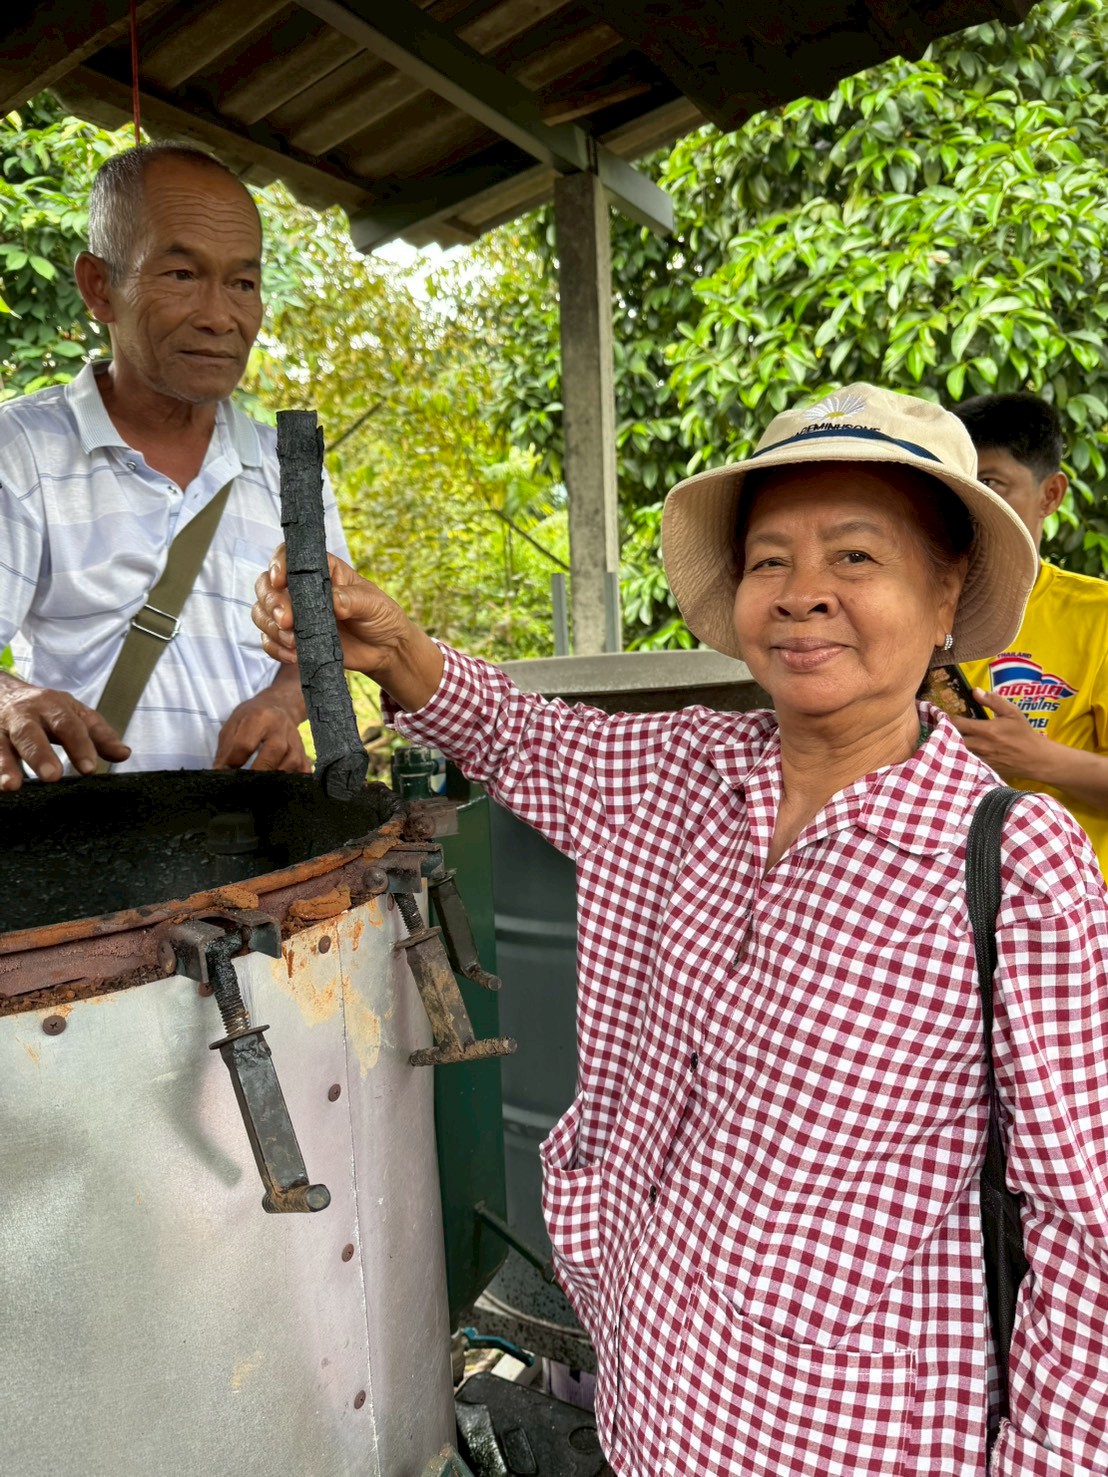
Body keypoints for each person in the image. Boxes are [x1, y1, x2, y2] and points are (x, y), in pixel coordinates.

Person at [255, 384, 1108, 1477]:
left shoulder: (1009, 857)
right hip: (655, 1393)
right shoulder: (686, 769)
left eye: (856, 558)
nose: (803, 596)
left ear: (946, 598)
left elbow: (1083, 1227)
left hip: (853, 1434)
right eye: (769, 561)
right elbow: (517, 735)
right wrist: (396, 646)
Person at [0, 143, 348, 790]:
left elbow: (323, 648)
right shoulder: (22, 452)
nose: (220, 317)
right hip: (88, 854)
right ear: (99, 288)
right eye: (182, 275)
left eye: (243, 283)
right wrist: (9, 700)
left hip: (258, 854)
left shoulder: (290, 470)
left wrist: (281, 705)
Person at [952, 392, 1108, 880]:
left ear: (1051, 495)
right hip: (938, 916)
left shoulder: (1098, 614)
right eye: (958, 488)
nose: (974, 507)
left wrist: (1036, 757)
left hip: (1071, 908)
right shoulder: (907, 612)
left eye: (992, 485)